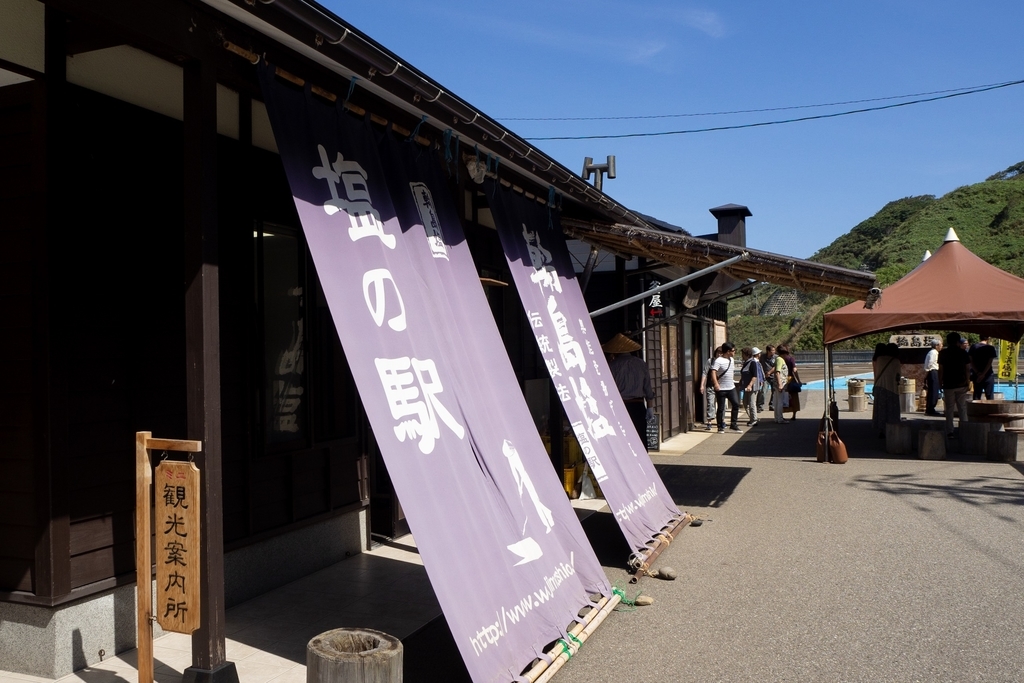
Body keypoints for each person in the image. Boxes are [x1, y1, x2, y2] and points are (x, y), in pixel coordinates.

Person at [602, 333, 655, 448]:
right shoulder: (641, 364)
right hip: (638, 405)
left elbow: (608, 390)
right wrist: (650, 407)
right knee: (640, 437)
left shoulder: (613, 366)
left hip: (620, 406)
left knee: (623, 439)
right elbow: (647, 388)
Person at [938, 331, 972, 438]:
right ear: (958, 341)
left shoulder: (943, 353)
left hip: (948, 383)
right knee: (962, 407)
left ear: (947, 341)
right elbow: (967, 369)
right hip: (961, 383)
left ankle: (950, 431)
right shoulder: (963, 353)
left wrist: (940, 382)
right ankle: (965, 430)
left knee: (949, 408)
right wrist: (968, 381)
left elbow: (941, 370)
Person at [710, 342, 742, 433]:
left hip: (731, 387)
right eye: (733, 350)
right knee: (721, 407)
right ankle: (720, 426)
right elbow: (713, 372)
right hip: (721, 388)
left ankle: (733, 424)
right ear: (728, 351)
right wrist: (716, 384)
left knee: (736, 404)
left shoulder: (731, 360)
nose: (734, 352)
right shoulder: (718, 361)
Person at [872, 343, 902, 437]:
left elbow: (876, 373)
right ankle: (892, 429)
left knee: (881, 410)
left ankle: (881, 430)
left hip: (880, 387)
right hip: (892, 388)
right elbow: (898, 376)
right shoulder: (896, 361)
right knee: (892, 410)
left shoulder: (880, 359)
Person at [699, 347, 722, 431]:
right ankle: (709, 422)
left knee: (721, 404)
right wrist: (702, 385)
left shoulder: (724, 362)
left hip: (721, 386)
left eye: (721, 353)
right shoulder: (710, 361)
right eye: (718, 353)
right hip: (710, 385)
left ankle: (721, 421)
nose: (719, 354)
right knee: (710, 403)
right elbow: (704, 373)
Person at [777, 344, 802, 421]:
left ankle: (781, 414)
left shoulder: (779, 358)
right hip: (791, 379)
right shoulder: (791, 359)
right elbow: (794, 370)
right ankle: (794, 415)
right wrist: (799, 380)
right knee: (793, 398)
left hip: (782, 379)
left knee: (783, 397)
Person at [969, 336, 998, 400]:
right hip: (988, 375)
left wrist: (978, 373)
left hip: (976, 375)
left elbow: (971, 361)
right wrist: (983, 374)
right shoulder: (991, 348)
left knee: (977, 395)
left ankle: (976, 410)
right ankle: (990, 410)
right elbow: (989, 362)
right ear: (988, 338)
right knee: (989, 396)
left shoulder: (973, 347)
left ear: (979, 337)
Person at [740, 347, 763, 427]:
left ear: (746, 354)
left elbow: (755, 375)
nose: (742, 356)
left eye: (743, 354)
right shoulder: (746, 362)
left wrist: (750, 385)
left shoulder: (753, 362)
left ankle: (754, 420)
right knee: (745, 403)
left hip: (752, 387)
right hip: (746, 386)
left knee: (751, 403)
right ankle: (753, 418)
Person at [924, 339, 942, 416]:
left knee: (933, 390)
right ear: (936, 345)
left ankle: (930, 408)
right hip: (933, 371)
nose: (941, 346)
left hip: (932, 372)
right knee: (933, 391)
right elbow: (930, 363)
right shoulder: (933, 353)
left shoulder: (933, 352)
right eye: (940, 345)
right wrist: (927, 373)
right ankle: (930, 408)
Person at [757, 344, 776, 413]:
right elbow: (759, 365)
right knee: (763, 391)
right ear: (768, 351)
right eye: (772, 350)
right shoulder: (762, 357)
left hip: (773, 377)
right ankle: (760, 406)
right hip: (764, 377)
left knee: (774, 392)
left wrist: (769, 372)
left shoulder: (776, 357)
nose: (774, 352)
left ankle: (772, 405)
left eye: (774, 350)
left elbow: (775, 366)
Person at [772, 345, 789, 423]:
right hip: (780, 382)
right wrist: (780, 384)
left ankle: (777, 418)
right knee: (780, 401)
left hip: (777, 383)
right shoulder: (780, 359)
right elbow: (777, 372)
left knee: (777, 401)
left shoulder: (778, 359)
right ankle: (780, 418)